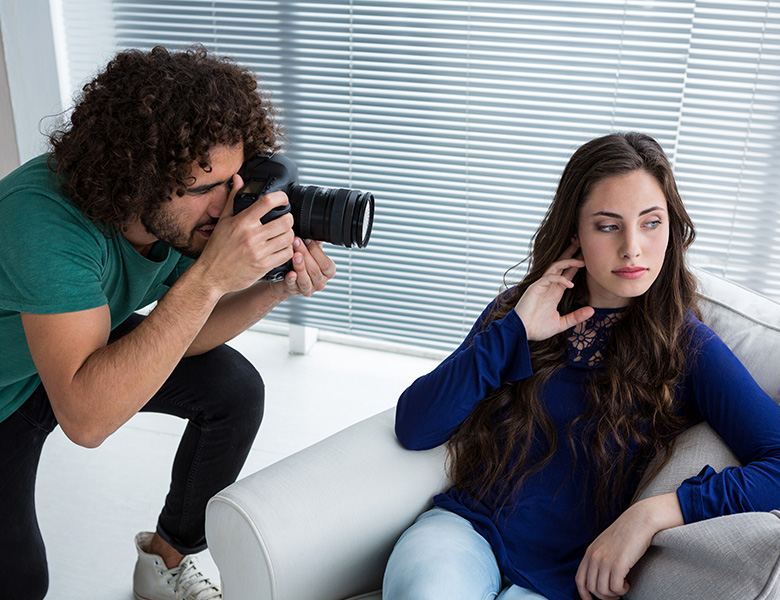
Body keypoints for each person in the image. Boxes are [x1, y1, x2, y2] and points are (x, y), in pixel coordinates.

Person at [0, 46, 336, 600]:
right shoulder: (41, 221)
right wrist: (210, 278)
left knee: (232, 389)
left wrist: (275, 285)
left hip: (76, 351)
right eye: (203, 186)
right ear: (132, 177)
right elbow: (86, 419)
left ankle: (164, 565)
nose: (226, 205)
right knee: (19, 583)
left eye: (233, 179)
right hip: (6, 393)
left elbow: (185, 334)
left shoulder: (182, 219)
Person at [383, 132, 780, 600]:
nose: (633, 248)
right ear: (575, 231)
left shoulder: (688, 345)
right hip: (460, 534)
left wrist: (650, 514)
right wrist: (515, 331)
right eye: (608, 226)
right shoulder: (521, 309)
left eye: (651, 223)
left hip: (567, 583)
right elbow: (415, 427)